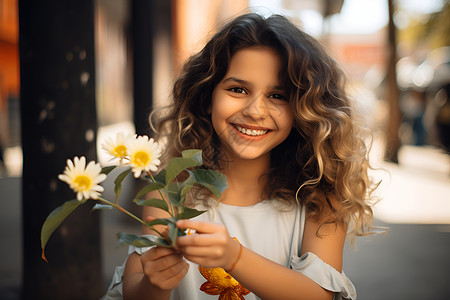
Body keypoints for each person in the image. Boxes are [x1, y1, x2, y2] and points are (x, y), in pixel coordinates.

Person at [103, 12, 377, 300]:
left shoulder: (320, 197)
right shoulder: (168, 193)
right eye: (238, 89)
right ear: (207, 97)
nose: (255, 110)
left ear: (302, 109)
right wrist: (155, 283)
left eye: (278, 96)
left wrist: (235, 258)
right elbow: (137, 291)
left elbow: (319, 295)